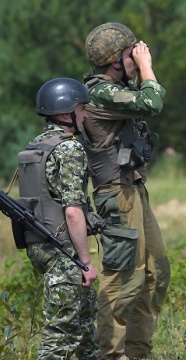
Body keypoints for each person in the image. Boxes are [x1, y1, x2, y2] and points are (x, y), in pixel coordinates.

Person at [82, 22, 171, 360]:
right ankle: (112, 354)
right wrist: (146, 67)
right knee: (124, 280)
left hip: (134, 190)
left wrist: (138, 71)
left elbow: (142, 102)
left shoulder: (115, 90)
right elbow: (153, 102)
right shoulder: (99, 92)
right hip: (117, 195)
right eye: (130, 51)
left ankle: (138, 351)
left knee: (155, 271)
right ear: (115, 60)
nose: (137, 55)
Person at [17, 77, 99, 359]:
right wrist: (85, 262)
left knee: (85, 325)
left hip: (39, 246)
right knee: (61, 334)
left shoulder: (35, 147)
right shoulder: (69, 148)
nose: (86, 114)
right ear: (67, 113)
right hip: (63, 249)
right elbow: (73, 209)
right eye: (82, 108)